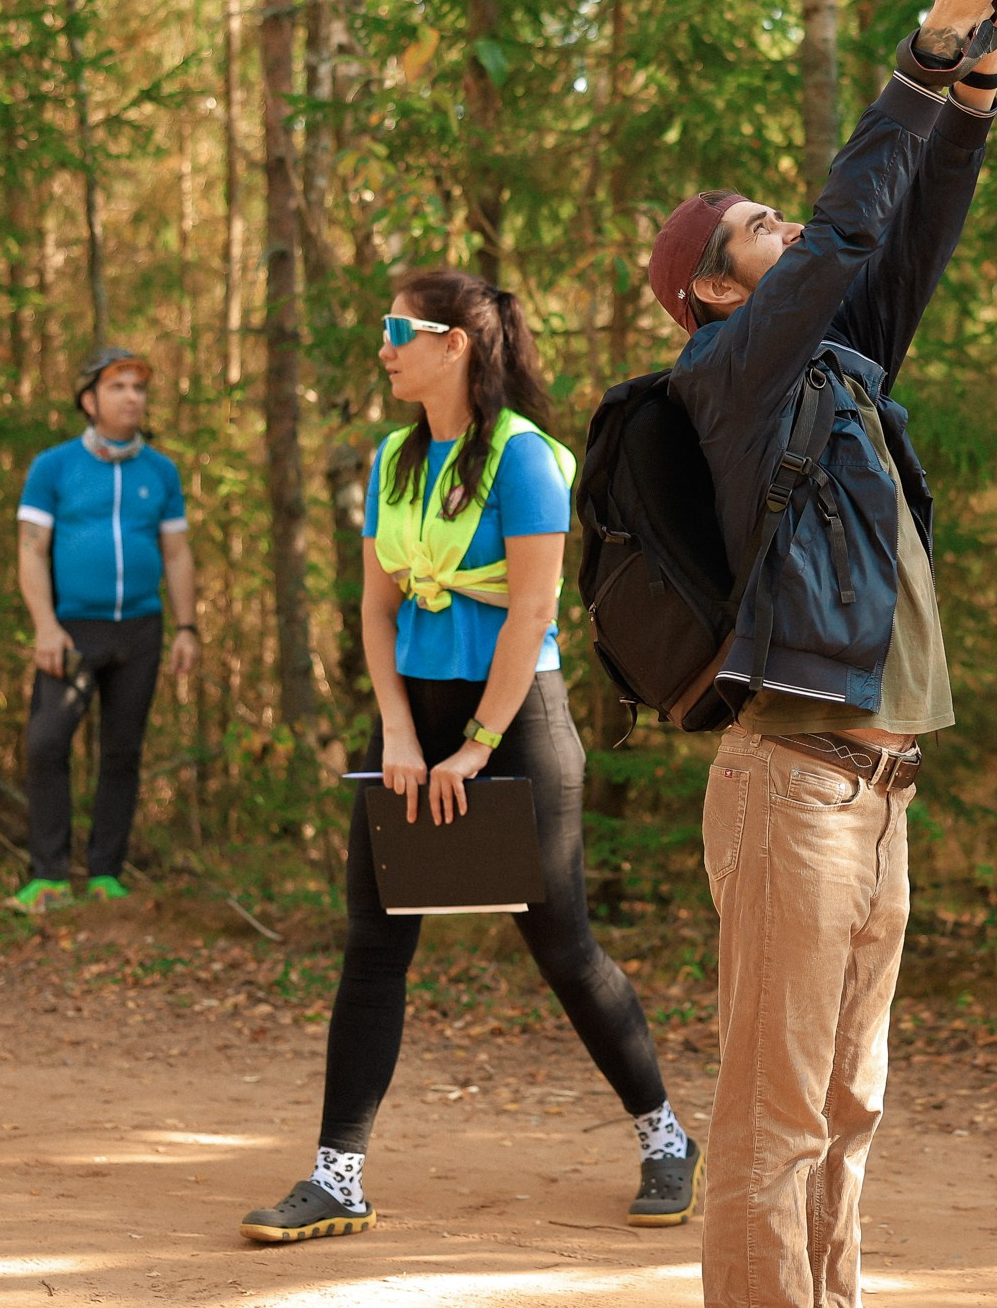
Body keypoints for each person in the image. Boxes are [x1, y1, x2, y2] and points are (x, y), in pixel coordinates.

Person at [654, 0, 997, 1307]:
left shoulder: (829, 368)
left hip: (878, 793)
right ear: (709, 289)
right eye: (761, 231)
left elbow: (902, 242)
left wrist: (976, 88)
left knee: (851, 1111)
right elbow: (853, 227)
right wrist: (925, 48)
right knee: (776, 1119)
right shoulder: (729, 376)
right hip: (791, 790)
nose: (793, 233)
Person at [238, 269, 697, 1244]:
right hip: (410, 723)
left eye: (399, 327)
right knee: (375, 945)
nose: (385, 345)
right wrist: (400, 732)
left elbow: (531, 612)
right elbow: (374, 605)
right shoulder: (391, 459)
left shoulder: (529, 459)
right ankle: (337, 1177)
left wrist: (478, 746)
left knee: (564, 947)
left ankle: (667, 1138)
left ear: (458, 342)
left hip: (515, 722)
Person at [11, 347, 199, 911]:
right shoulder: (54, 466)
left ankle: (105, 875)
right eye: (118, 388)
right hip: (72, 631)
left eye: (139, 389)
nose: (132, 398)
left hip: (140, 630)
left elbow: (178, 553)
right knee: (46, 745)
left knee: (122, 753)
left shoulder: (160, 471)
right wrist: (45, 626)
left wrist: (187, 628)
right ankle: (47, 876)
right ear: (89, 401)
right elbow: (30, 550)